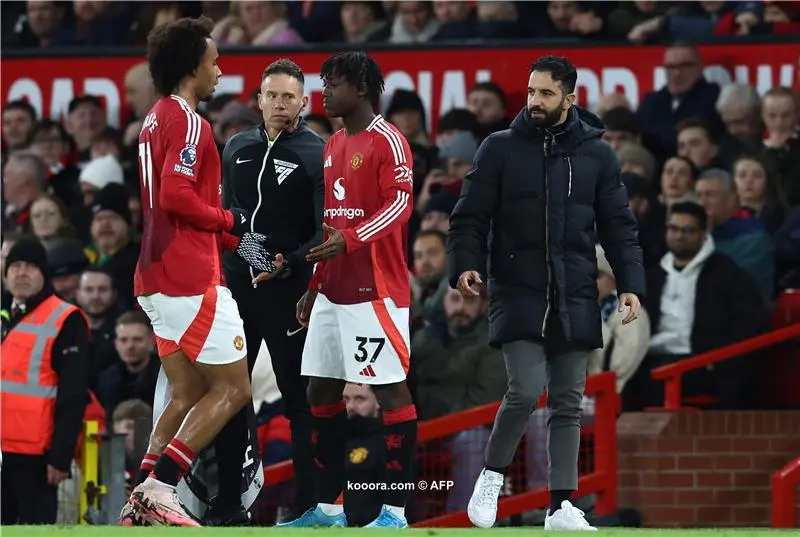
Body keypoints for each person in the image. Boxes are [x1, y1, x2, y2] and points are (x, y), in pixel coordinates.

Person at [447, 55, 645, 531]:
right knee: (525, 389)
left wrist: (631, 285)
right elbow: (468, 216)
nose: (534, 101)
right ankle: (491, 478)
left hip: (574, 290)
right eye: (531, 92)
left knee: (567, 402)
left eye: (546, 94)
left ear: (569, 99)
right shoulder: (498, 148)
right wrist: (465, 266)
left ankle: (560, 506)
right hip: (517, 290)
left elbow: (620, 227)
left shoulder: (598, 153)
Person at [117, 17, 275, 527]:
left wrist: (249, 247)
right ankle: (162, 487)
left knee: (186, 392)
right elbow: (178, 198)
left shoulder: (155, 119)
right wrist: (231, 218)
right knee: (233, 390)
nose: (219, 70)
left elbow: (182, 207)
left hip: (156, 277)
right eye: (213, 61)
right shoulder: (189, 122)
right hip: (189, 277)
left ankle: (140, 492)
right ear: (192, 66)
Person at [281, 51, 416, 529]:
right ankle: (329, 509)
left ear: (360, 87)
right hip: (333, 293)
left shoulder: (389, 141)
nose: (324, 91)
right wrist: (314, 285)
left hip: (374, 290)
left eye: (332, 83)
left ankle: (395, 512)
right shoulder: (334, 143)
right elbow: (331, 222)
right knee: (320, 390)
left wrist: (351, 240)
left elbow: (399, 204)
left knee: (390, 391)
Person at [216, 57, 325, 525]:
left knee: (296, 396)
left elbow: (324, 229)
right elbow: (225, 215)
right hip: (240, 286)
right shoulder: (235, 147)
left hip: (289, 291)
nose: (280, 104)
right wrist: (248, 262)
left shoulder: (317, 153)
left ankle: (305, 505)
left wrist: (289, 264)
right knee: (229, 394)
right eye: (272, 95)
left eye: (289, 96)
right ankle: (227, 503)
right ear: (258, 99)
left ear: (304, 101)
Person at [1, 238, 91, 525]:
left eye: (30, 266)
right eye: (15, 266)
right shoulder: (6, 316)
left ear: (44, 273)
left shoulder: (65, 319)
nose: (22, 273)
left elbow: (73, 393)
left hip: (36, 458)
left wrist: (60, 457)